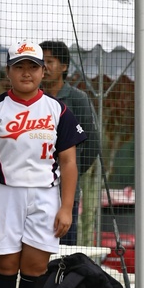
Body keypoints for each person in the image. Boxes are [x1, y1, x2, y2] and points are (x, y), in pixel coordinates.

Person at [0, 40, 84, 288]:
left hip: (44, 194)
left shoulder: (58, 110)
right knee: (5, 266)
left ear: (43, 72)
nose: (26, 73)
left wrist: (66, 207)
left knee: (36, 268)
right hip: (2, 192)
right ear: (8, 71)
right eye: (19, 66)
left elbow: (69, 162)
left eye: (33, 67)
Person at [39, 40, 101, 244]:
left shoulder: (77, 98)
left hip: (65, 193)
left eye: (50, 61)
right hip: (34, 189)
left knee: (63, 251)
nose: (44, 67)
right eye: (41, 62)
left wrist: (71, 171)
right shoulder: (32, 98)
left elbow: (92, 143)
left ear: (64, 66)